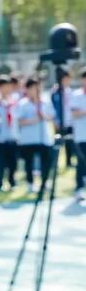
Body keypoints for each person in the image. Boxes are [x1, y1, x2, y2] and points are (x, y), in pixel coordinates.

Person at [15, 77, 56, 194]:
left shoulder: (45, 102)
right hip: (28, 139)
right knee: (29, 162)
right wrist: (33, 120)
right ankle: (30, 183)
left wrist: (44, 116)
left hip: (44, 138)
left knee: (45, 162)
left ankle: (44, 182)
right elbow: (18, 121)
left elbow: (52, 116)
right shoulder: (23, 104)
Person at [0, 76, 20, 192]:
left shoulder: (14, 101)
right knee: (0, 162)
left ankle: (12, 181)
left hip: (13, 136)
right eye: (4, 86)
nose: (7, 89)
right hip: (0, 137)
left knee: (13, 162)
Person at [51, 69, 76, 170]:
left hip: (69, 121)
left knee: (69, 142)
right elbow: (53, 107)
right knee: (57, 143)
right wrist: (55, 121)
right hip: (59, 121)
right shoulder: (55, 92)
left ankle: (68, 161)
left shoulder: (70, 92)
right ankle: (54, 163)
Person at [71, 69, 86, 201]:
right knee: (82, 161)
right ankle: (79, 188)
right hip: (81, 135)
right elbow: (74, 113)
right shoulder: (76, 95)